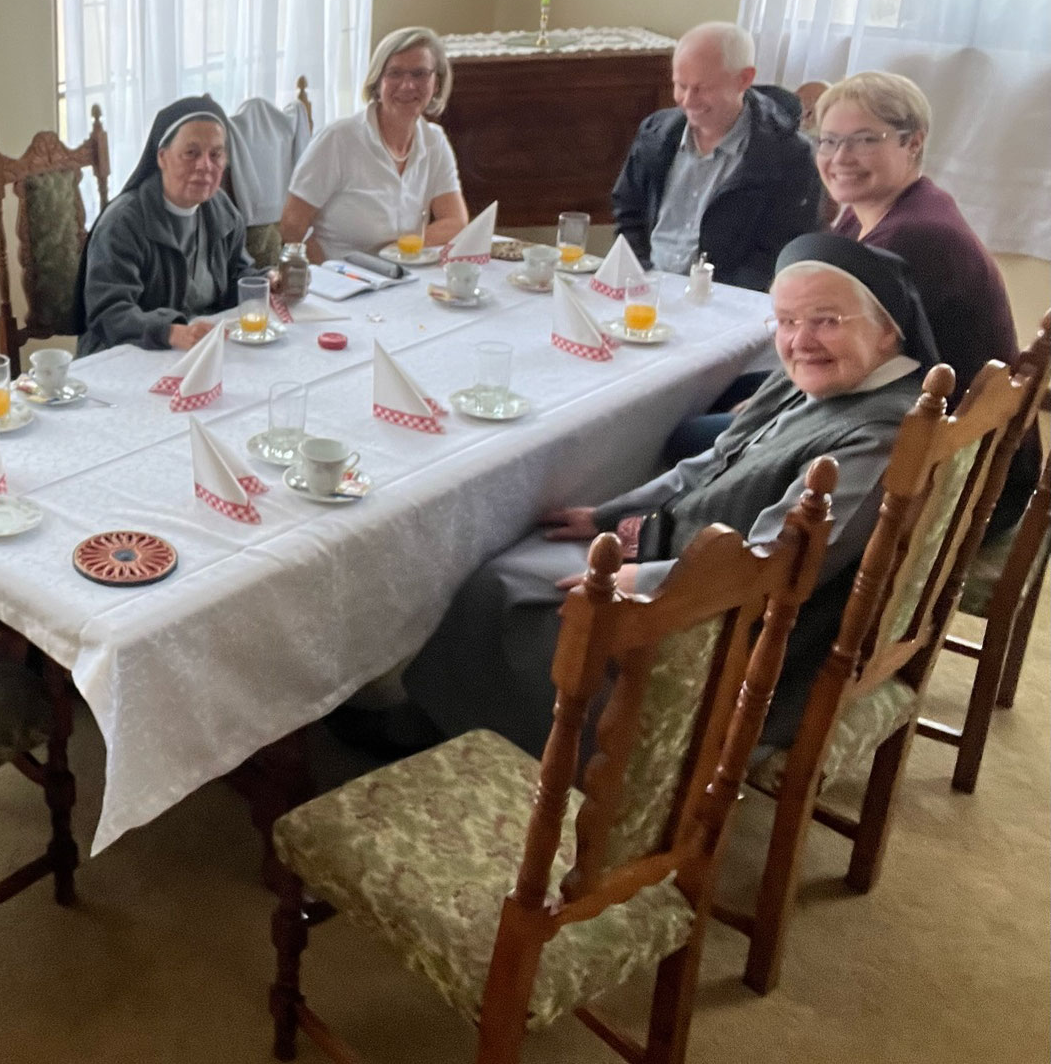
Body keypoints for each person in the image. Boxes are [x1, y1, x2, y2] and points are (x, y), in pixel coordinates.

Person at [394, 235, 936, 762]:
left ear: (888, 330)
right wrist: (608, 515)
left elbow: (784, 564)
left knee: (515, 589)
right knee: (514, 558)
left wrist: (647, 584)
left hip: (750, 630)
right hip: (699, 552)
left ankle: (587, 778)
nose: (801, 340)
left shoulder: (880, 431)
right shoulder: (819, 377)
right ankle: (455, 722)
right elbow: (708, 462)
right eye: (788, 321)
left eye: (827, 319)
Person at [814, 70, 1035, 524]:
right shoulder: (873, 212)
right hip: (917, 430)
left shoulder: (914, 236)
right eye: (829, 141)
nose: (840, 157)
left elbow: (841, 364)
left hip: (961, 481)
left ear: (913, 142)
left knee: (700, 438)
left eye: (863, 140)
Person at [611, 22, 822, 290]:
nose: (687, 100)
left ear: (743, 79)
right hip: (645, 285)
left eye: (701, 88)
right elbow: (628, 211)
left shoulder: (787, 155)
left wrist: (712, 297)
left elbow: (778, 251)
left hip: (725, 299)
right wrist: (639, 271)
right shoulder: (656, 134)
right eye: (680, 85)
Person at [78, 96, 255, 355]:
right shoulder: (123, 222)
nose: (205, 166)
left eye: (215, 154)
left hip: (199, 349)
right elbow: (109, 312)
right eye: (191, 153)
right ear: (162, 157)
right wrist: (171, 331)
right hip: (127, 354)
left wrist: (268, 282)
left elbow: (238, 275)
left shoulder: (222, 210)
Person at [278, 27, 469, 265]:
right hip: (341, 280)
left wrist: (397, 252)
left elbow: (455, 222)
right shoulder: (339, 139)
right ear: (377, 82)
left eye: (420, 74)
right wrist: (322, 272)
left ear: (437, 83)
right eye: (395, 73)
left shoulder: (435, 142)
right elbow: (291, 225)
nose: (408, 85)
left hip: (401, 275)